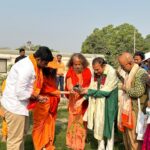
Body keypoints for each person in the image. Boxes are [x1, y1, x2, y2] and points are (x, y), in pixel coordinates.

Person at [0, 46, 53, 150]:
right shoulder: (27, 68)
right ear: (38, 59)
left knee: (20, 136)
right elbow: (20, 92)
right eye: (45, 63)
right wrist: (36, 96)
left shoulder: (31, 65)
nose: (46, 66)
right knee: (15, 141)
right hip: (15, 107)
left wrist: (37, 97)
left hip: (20, 106)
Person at [76, 57, 118, 150]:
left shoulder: (112, 72)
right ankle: (101, 145)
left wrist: (87, 92)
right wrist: (83, 98)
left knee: (109, 124)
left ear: (103, 66)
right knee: (98, 123)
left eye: (97, 69)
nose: (96, 72)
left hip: (109, 102)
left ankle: (109, 147)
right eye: (94, 70)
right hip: (97, 102)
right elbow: (92, 87)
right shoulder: (96, 72)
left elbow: (105, 92)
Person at [118, 52, 148, 150]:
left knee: (135, 140)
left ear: (130, 63)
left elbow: (138, 92)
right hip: (128, 109)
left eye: (122, 66)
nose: (121, 68)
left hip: (136, 111)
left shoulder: (141, 73)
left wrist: (125, 89)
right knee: (128, 139)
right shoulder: (129, 73)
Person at [32, 60, 61, 150]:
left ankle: (47, 144)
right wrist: (66, 92)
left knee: (49, 124)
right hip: (41, 104)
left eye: (55, 69)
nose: (54, 71)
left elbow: (53, 90)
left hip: (51, 104)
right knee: (40, 125)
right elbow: (49, 90)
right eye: (52, 69)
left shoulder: (52, 77)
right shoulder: (40, 76)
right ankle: (39, 146)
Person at [65, 53, 92, 150]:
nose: (77, 66)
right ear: (71, 64)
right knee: (72, 121)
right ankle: (70, 141)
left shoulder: (88, 72)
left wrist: (83, 90)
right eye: (75, 64)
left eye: (79, 64)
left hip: (83, 101)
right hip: (73, 100)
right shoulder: (70, 71)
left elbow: (90, 86)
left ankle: (80, 142)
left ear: (83, 64)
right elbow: (69, 84)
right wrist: (72, 88)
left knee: (81, 122)